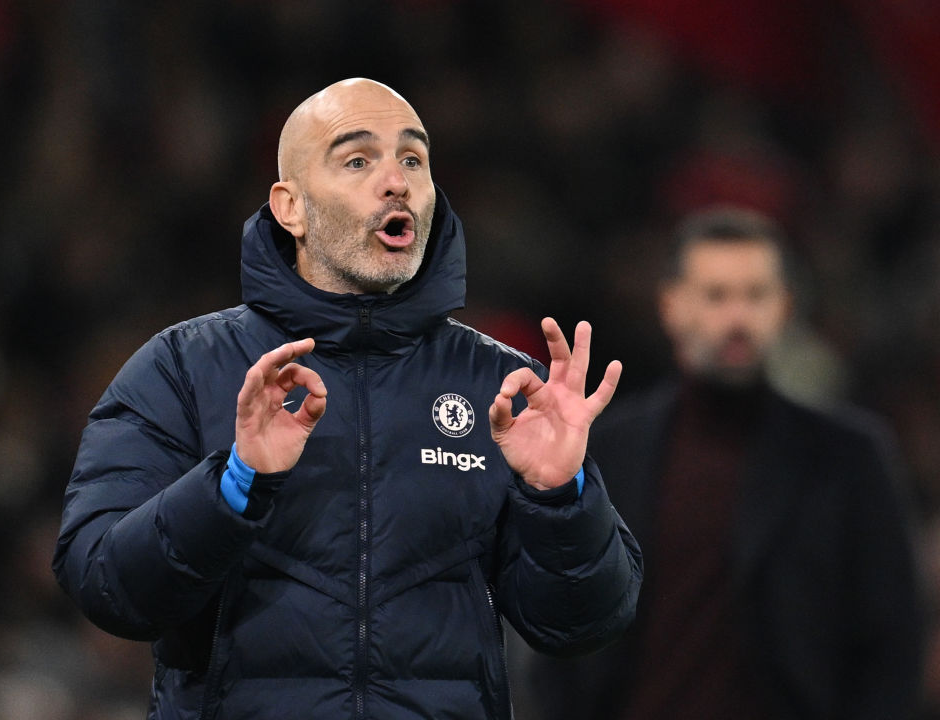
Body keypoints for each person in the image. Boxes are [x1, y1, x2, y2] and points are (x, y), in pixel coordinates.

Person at [52, 78, 642, 720]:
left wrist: (562, 501)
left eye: (413, 160)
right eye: (358, 160)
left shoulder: (504, 387)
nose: (396, 182)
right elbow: (105, 585)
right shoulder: (182, 369)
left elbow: (581, 628)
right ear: (291, 207)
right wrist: (234, 483)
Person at [514, 205, 924, 720]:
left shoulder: (850, 459)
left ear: (785, 307)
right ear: (671, 305)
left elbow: (891, 645)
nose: (737, 318)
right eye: (716, 296)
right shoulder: (609, 450)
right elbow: (558, 627)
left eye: (756, 295)